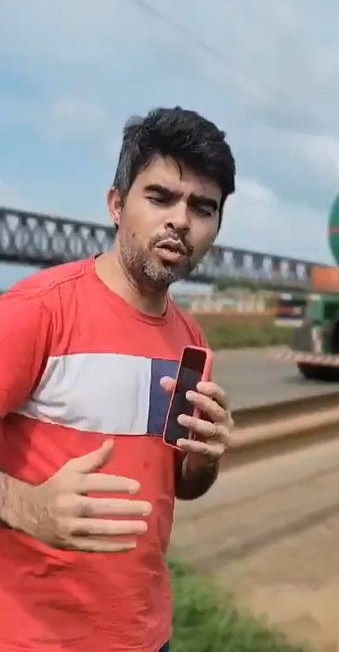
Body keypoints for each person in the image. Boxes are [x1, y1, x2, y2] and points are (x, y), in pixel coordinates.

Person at [0, 107, 238, 652]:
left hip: (145, 635)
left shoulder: (191, 340)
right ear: (115, 205)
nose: (180, 220)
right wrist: (24, 506)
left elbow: (182, 486)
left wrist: (204, 460)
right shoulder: (37, 311)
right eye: (160, 198)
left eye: (202, 208)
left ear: (215, 231)